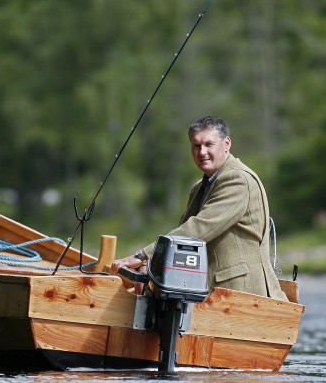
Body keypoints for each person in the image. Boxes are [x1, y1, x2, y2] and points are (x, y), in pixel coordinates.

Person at [111, 115, 287, 301]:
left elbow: (199, 228)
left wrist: (145, 255)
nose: (202, 152)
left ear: (226, 144)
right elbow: (184, 239)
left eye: (209, 144)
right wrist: (153, 264)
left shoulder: (238, 180)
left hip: (244, 295)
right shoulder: (200, 186)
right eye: (196, 146)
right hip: (213, 294)